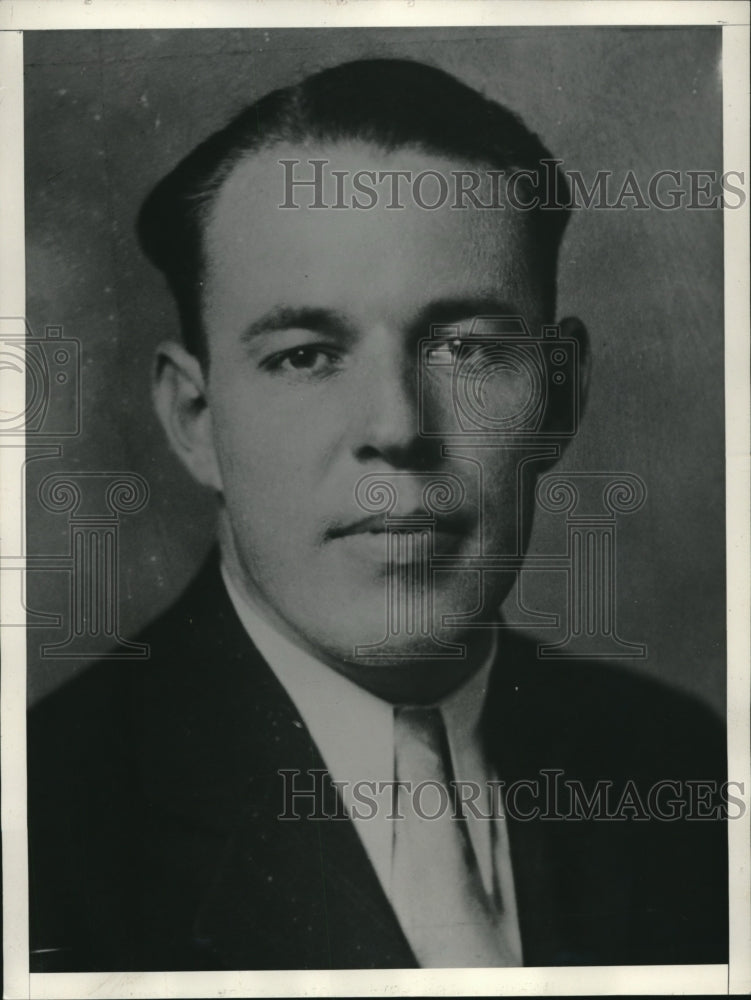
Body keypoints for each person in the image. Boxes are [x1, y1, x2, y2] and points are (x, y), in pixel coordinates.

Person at [27, 58, 728, 972]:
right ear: (195, 420)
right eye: (307, 356)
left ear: (557, 397)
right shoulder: (44, 821)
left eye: (467, 350)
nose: (397, 428)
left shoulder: (680, 763)